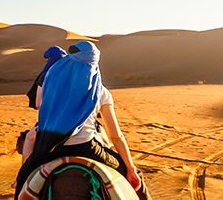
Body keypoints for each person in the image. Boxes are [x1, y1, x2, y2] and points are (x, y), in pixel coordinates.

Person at [14, 41, 148, 199]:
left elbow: (40, 107)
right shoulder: (102, 92)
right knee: (134, 175)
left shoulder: (51, 82)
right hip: (88, 147)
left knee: (24, 178)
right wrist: (130, 168)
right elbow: (115, 136)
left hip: (51, 147)